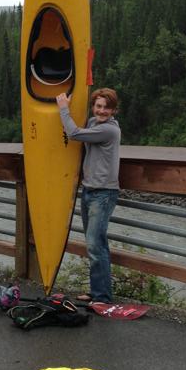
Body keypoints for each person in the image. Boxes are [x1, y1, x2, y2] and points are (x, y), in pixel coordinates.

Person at [56, 88, 121, 303]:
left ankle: (102, 296)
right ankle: (96, 292)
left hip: (103, 193)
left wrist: (64, 109)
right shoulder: (95, 124)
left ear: (114, 110)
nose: (102, 111)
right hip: (89, 189)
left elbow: (74, 133)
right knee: (93, 244)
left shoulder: (109, 130)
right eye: (98, 106)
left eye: (106, 107)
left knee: (96, 245)